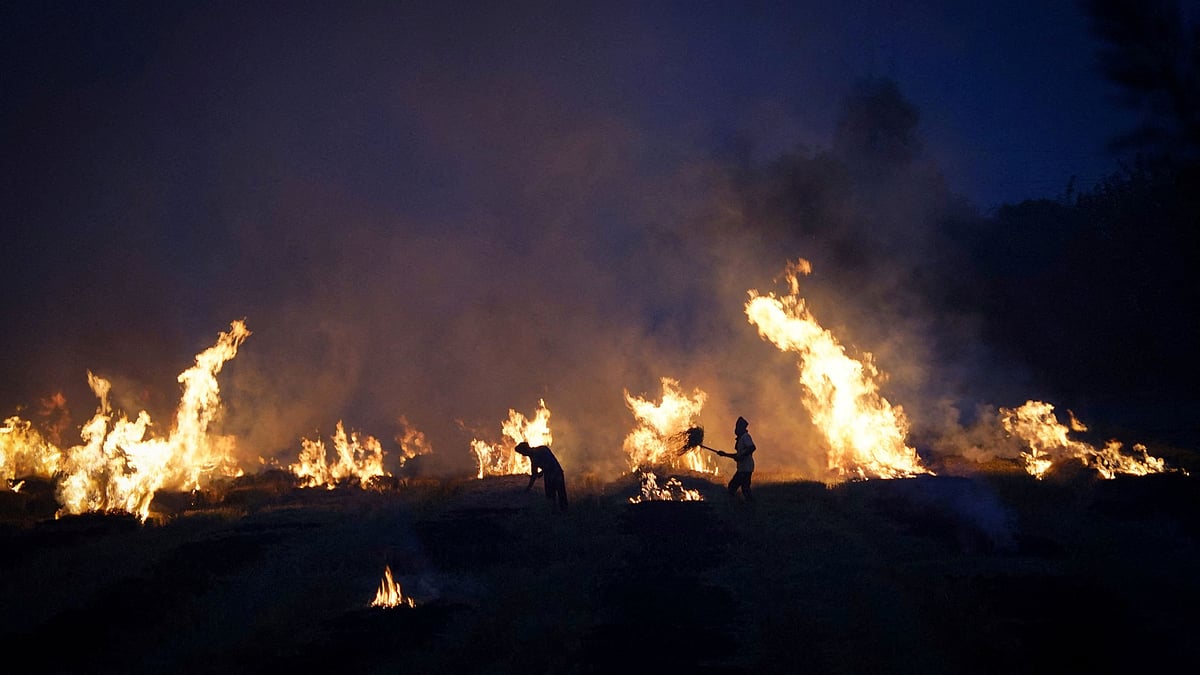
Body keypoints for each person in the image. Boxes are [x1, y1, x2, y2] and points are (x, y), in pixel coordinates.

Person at [514, 441, 568, 511]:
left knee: (561, 496)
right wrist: (528, 488)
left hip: (556, 473)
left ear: (525, 450)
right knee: (550, 498)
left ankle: (564, 513)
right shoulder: (534, 458)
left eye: (522, 453)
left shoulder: (542, 449)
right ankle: (555, 514)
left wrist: (541, 472)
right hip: (549, 475)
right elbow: (534, 475)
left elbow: (550, 462)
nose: (522, 455)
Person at [716, 416, 756, 502]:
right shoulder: (742, 438)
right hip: (744, 468)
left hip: (745, 468)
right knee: (744, 487)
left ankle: (740, 504)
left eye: (737, 427)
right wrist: (724, 454)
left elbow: (752, 447)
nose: (736, 430)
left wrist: (742, 456)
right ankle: (747, 503)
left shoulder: (745, 437)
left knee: (736, 487)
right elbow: (737, 455)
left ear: (741, 428)